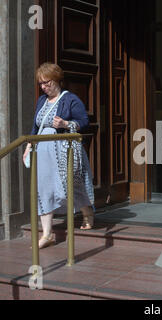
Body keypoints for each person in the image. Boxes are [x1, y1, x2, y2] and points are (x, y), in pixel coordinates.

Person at [23, 62, 95, 249]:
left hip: (63, 151)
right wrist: (29, 145)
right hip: (42, 152)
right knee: (42, 188)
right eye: (41, 84)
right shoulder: (41, 101)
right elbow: (36, 126)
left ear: (57, 80)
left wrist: (65, 124)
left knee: (71, 185)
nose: (43, 87)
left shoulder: (70, 99)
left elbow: (84, 122)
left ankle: (87, 212)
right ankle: (47, 234)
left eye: (47, 82)